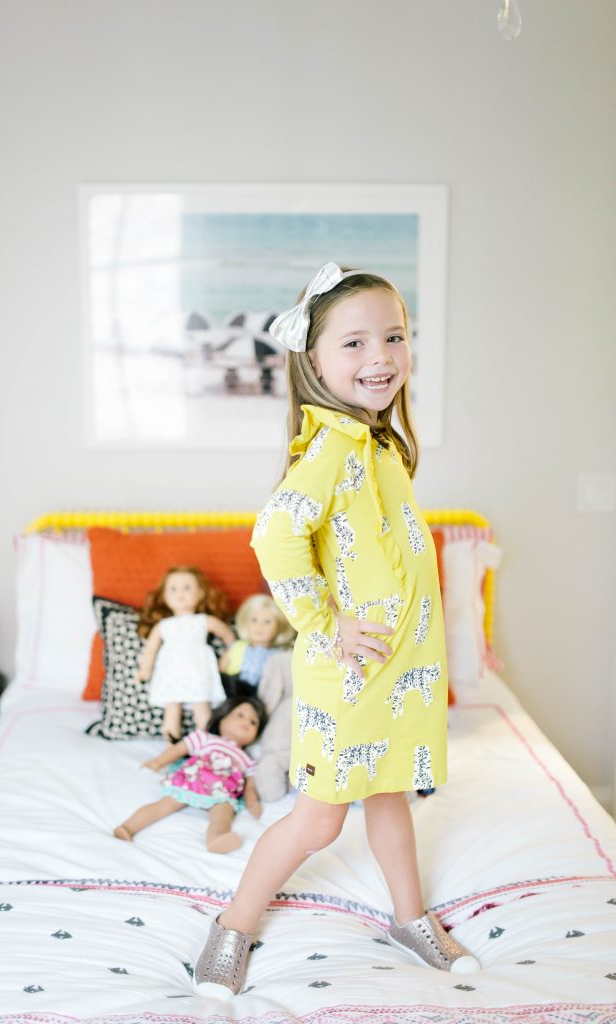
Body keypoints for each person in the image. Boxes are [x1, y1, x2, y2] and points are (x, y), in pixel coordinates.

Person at [193, 261, 480, 996]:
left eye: (393, 336)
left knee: (389, 797)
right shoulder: (332, 447)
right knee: (319, 822)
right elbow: (274, 535)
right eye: (353, 343)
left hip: (397, 667)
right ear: (313, 360)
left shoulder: (377, 442)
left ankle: (408, 916)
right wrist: (325, 623)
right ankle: (233, 924)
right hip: (352, 673)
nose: (380, 356)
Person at [113, 695, 268, 853]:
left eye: (253, 722)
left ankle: (216, 839)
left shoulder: (248, 760)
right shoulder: (206, 738)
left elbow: (250, 786)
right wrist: (158, 762)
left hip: (222, 793)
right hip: (193, 781)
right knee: (164, 805)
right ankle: (128, 827)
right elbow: (180, 748)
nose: (246, 722)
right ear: (222, 718)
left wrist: (252, 802)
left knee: (223, 815)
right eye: (240, 715)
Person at [137, 566, 235, 743]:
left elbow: (228, 636)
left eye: (187, 588)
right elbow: (150, 650)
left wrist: (229, 656)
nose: (180, 592)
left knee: (202, 709)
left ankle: (206, 746)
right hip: (171, 672)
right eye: (173, 589)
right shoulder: (163, 625)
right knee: (171, 709)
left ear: (201, 594)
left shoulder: (204, 621)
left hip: (198, 670)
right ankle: (171, 748)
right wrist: (145, 670)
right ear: (164, 596)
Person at [218, 593, 295, 695]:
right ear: (246, 622)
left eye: (267, 622)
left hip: (265, 693)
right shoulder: (236, 647)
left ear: (279, 626)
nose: (260, 626)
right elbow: (220, 673)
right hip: (235, 691)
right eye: (254, 620)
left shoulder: (280, 655)